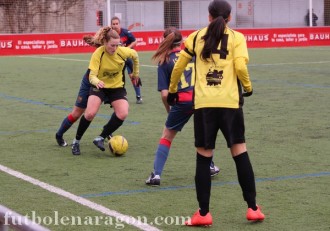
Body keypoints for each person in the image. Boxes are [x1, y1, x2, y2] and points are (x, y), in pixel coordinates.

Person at [167, 0, 265, 226]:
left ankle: (203, 214)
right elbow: (240, 67)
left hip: (204, 106)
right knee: (240, 153)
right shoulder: (237, 38)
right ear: (229, 17)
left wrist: (173, 90)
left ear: (209, 16)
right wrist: (248, 87)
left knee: (204, 157)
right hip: (230, 104)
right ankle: (252, 208)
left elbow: (179, 66)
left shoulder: (195, 37)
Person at [145, 27, 220, 186]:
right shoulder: (192, 56)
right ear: (182, 40)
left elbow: (165, 94)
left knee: (167, 136)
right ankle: (210, 166)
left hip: (182, 101)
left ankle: (156, 175)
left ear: (165, 41)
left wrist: (169, 110)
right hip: (200, 98)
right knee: (202, 134)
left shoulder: (164, 61)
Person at [71, 26, 140, 155]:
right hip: (100, 86)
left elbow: (135, 56)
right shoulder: (98, 53)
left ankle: (101, 137)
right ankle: (76, 141)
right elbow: (92, 76)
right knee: (90, 113)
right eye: (112, 45)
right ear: (105, 43)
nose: (114, 49)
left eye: (117, 45)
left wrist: (135, 74)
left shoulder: (123, 51)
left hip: (116, 87)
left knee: (123, 113)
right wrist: (97, 82)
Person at [55, 28, 110, 148]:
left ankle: (107, 132)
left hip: (106, 84)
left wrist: (133, 73)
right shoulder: (99, 52)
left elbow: (128, 59)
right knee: (76, 113)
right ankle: (59, 134)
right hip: (89, 82)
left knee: (118, 106)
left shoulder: (118, 50)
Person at [111, 16, 143, 104]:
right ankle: (116, 96)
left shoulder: (126, 32)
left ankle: (139, 96)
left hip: (128, 58)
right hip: (117, 60)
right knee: (116, 77)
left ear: (119, 24)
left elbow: (135, 41)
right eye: (113, 24)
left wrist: (127, 49)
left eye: (117, 24)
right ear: (111, 25)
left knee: (133, 76)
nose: (115, 25)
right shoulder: (110, 34)